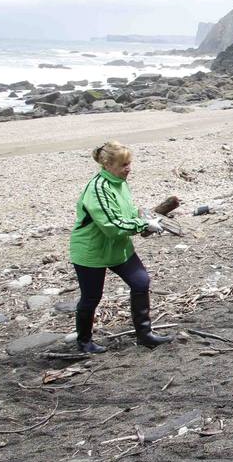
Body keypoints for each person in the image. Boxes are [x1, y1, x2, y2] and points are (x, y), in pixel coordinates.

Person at [69, 141, 171, 353]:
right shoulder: (97, 189)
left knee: (140, 281)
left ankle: (145, 335)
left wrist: (144, 218)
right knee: (91, 297)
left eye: (129, 163)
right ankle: (84, 342)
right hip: (91, 251)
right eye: (123, 164)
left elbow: (128, 210)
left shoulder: (120, 182)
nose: (128, 168)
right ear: (107, 165)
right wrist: (144, 225)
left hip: (118, 247)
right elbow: (112, 226)